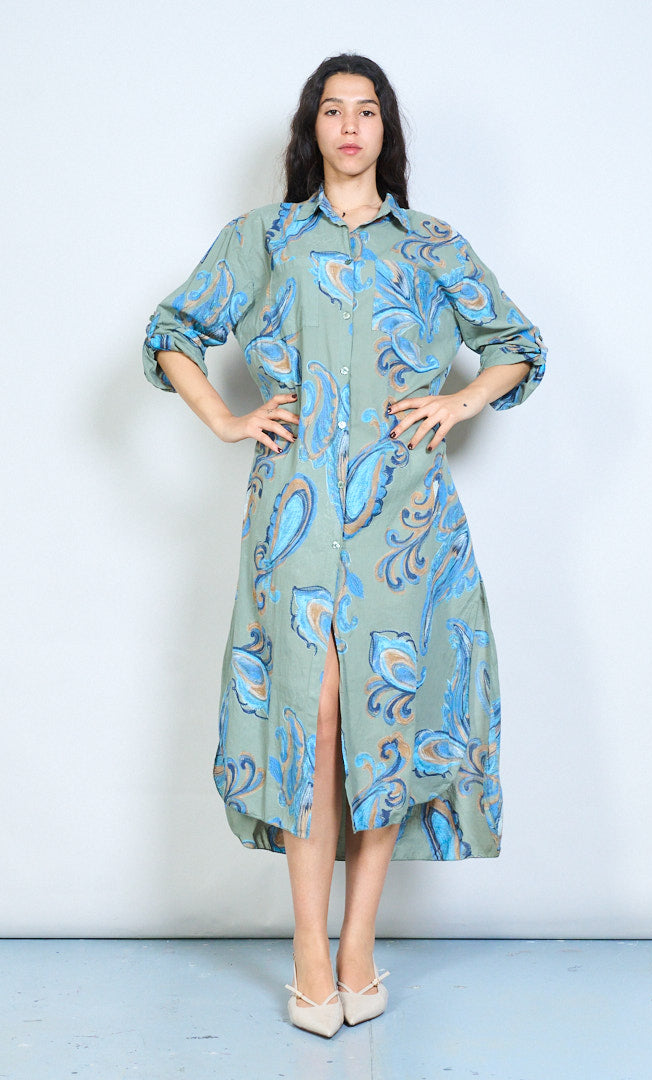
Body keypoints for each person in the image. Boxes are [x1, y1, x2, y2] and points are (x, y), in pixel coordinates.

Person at [142, 53, 547, 1037]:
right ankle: (309, 953)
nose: (352, 126)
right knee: (310, 724)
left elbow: (516, 346)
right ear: (313, 128)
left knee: (384, 725)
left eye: (368, 110)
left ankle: (358, 944)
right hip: (294, 512)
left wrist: (457, 404)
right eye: (334, 110)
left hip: (406, 520)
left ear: (385, 130)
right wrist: (228, 419)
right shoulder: (267, 238)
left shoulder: (432, 244)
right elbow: (173, 331)